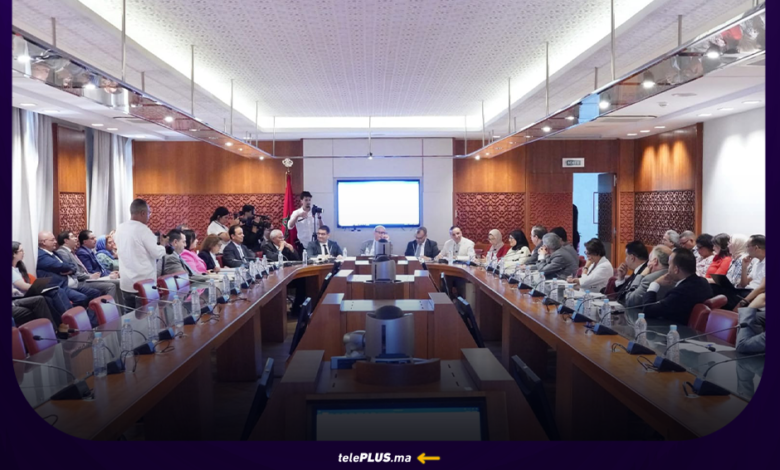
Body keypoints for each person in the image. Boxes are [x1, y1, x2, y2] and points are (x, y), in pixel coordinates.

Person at [641, 248, 712, 325]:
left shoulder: (681, 292)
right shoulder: (702, 282)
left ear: (676, 269)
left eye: (669, 265)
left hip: (676, 329)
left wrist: (655, 284)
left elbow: (648, 310)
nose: (668, 269)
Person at [114, 198, 167, 297]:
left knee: (128, 308)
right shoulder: (143, 230)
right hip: (144, 284)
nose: (149, 216)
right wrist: (163, 245)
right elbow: (156, 253)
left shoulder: (120, 228)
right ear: (143, 213)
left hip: (126, 283)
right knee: (148, 308)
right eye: (149, 213)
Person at [13, 241, 70, 325]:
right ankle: (67, 321)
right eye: (21, 251)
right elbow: (23, 286)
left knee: (50, 296)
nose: (23, 253)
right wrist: (39, 287)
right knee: (54, 292)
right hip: (17, 297)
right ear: (13, 254)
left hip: (25, 294)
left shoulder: (18, 268)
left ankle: (62, 324)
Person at [56, 231, 118, 301]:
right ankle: (108, 308)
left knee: (115, 283)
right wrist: (90, 276)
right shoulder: (63, 252)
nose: (76, 238)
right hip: (78, 281)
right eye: (72, 237)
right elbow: (72, 270)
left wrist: (109, 274)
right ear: (66, 241)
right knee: (111, 286)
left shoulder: (72, 252)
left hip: (85, 278)